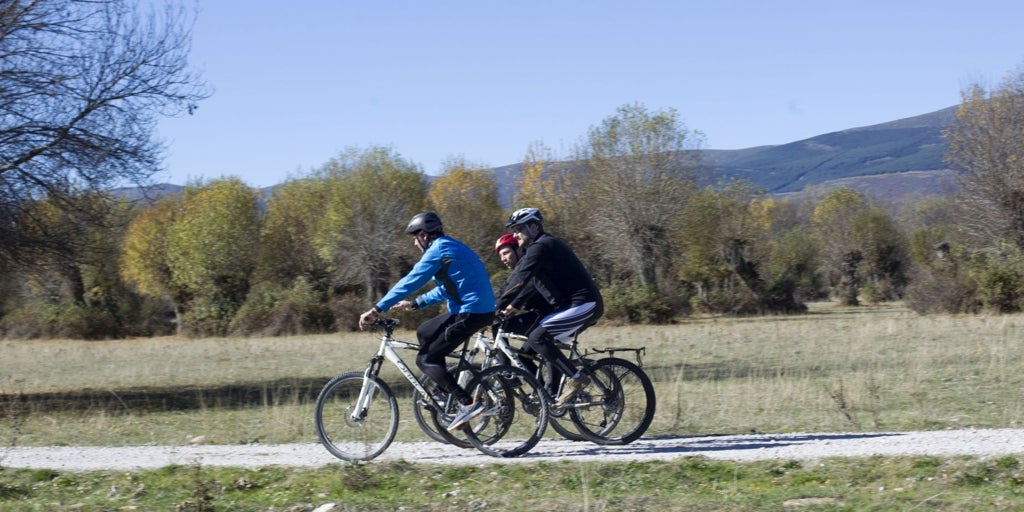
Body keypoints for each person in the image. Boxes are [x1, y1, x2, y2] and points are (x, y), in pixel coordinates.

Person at [358, 212, 496, 431]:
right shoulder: (451, 246)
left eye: (415, 237)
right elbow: (448, 287)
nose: (414, 242)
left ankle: (467, 403)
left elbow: (410, 281)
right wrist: (415, 304)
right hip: (474, 309)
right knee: (424, 331)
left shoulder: (438, 250)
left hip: (471, 312)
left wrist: (377, 309)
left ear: (424, 235)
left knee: (426, 360)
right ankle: (444, 391)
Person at [497, 207, 604, 408]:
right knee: (528, 349)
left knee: (538, 338)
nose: (515, 235)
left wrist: (494, 305)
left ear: (533, 226)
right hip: (568, 307)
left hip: (583, 304)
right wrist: (507, 304)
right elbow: (522, 282)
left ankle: (576, 377)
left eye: (518, 229)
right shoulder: (538, 248)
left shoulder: (542, 246)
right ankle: (551, 394)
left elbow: (519, 279)